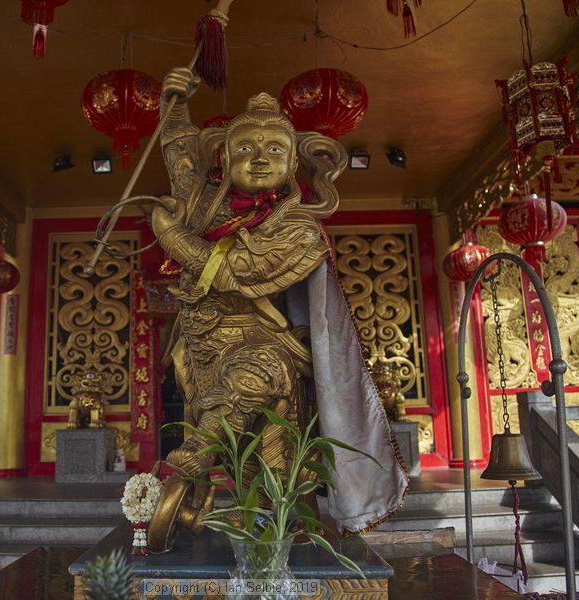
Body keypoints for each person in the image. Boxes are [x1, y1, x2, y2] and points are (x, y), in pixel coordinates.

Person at [147, 67, 408, 551]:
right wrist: (175, 103)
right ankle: (232, 516)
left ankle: (198, 466)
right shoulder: (207, 207)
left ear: (293, 165)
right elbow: (182, 159)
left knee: (261, 402)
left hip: (266, 346)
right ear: (224, 158)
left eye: (274, 150)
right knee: (246, 461)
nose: (260, 159)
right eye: (245, 149)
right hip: (201, 347)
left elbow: (235, 271)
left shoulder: (300, 231)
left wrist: (172, 237)